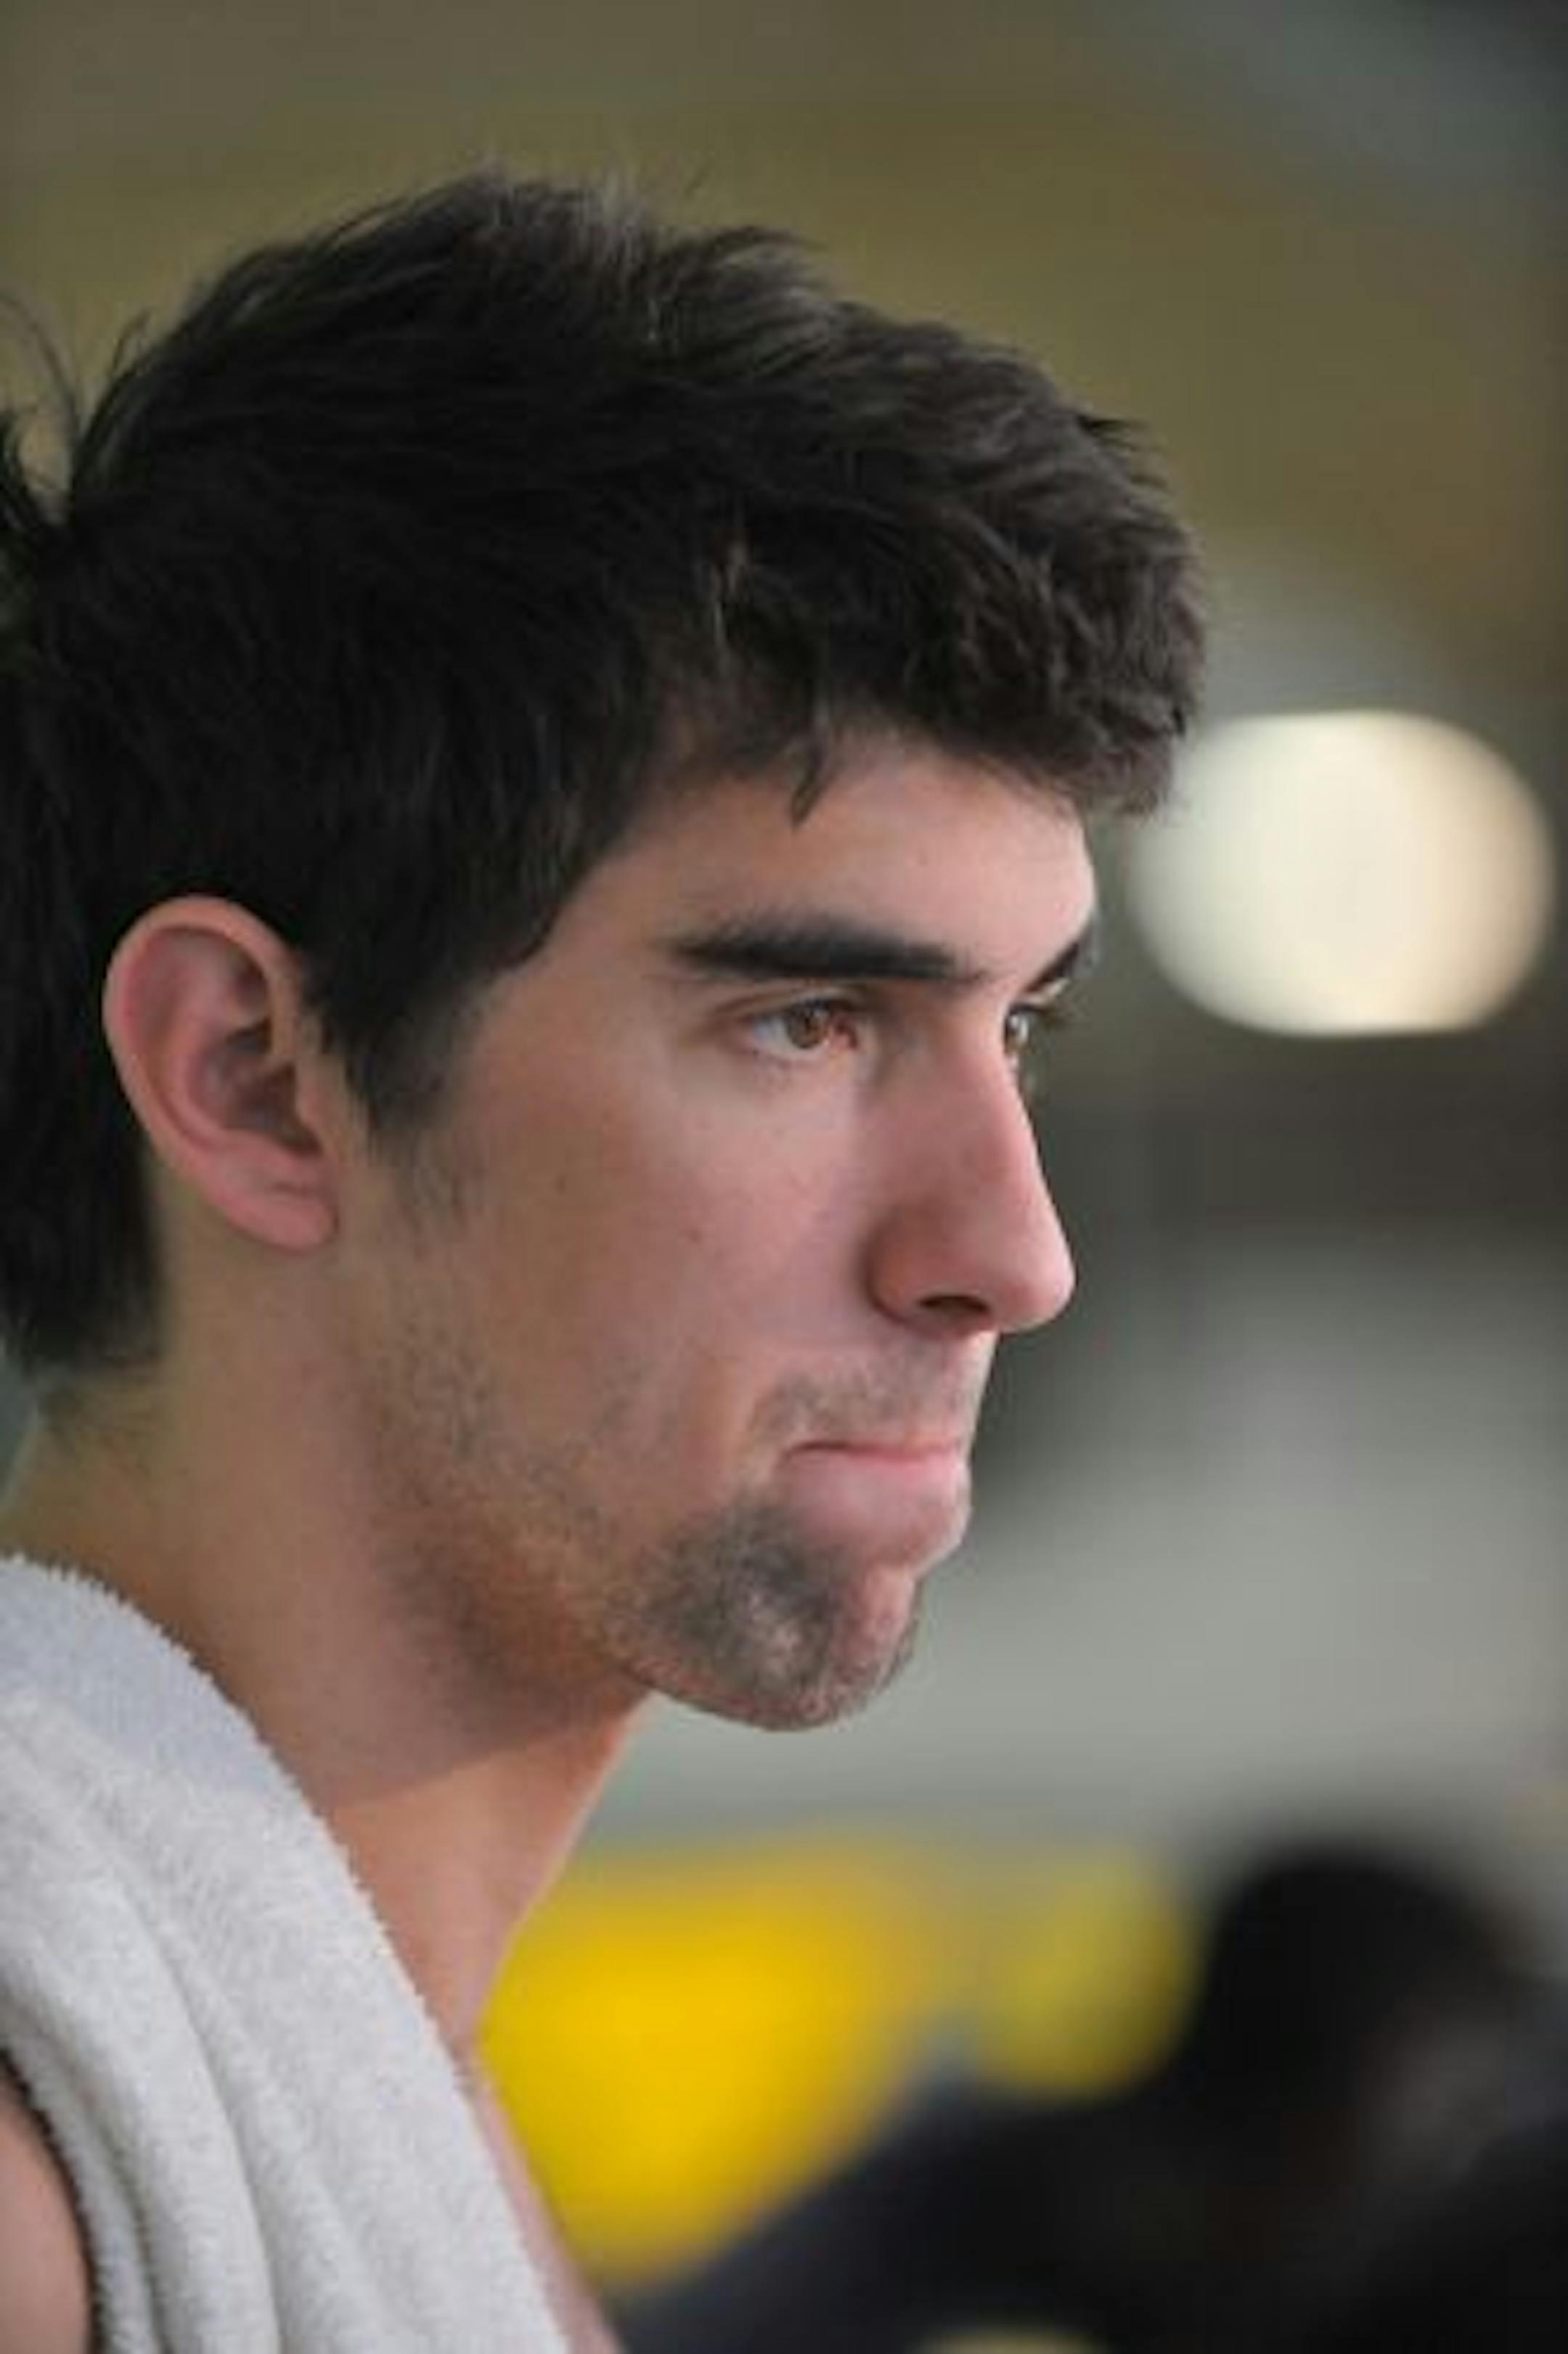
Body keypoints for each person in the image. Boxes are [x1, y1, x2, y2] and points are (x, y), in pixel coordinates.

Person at [0, 169, 1203, 2350]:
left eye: (1017, 1026)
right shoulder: (35, 2169)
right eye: (807, 1021)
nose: (1013, 1254)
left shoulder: (364, 2088)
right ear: (256, 1075)